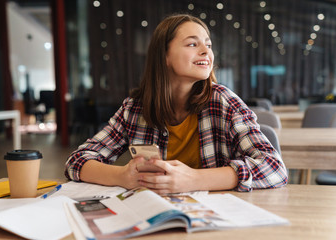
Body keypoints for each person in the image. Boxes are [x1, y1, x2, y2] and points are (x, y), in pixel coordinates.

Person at [65, 14, 288, 194]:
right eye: (193, 44)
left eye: (208, 45)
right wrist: (123, 176)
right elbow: (77, 161)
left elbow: (274, 168)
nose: (206, 52)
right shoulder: (135, 108)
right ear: (164, 57)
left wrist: (193, 179)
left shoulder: (223, 101)